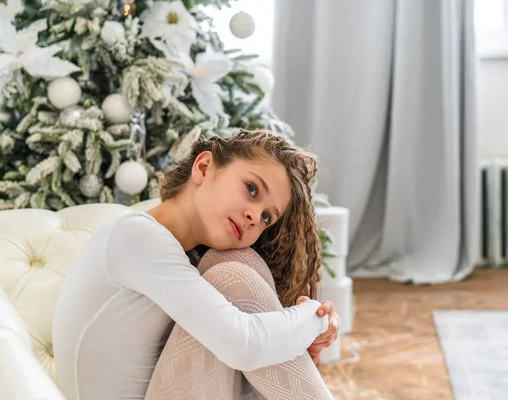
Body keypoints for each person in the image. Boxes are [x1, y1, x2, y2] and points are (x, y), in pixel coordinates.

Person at [52, 130, 339, 400]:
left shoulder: (189, 257)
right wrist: (313, 318)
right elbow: (242, 345)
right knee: (232, 274)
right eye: (251, 189)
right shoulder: (137, 236)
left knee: (237, 262)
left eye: (267, 217)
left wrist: (292, 343)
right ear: (203, 167)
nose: (255, 216)